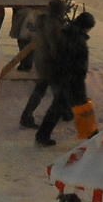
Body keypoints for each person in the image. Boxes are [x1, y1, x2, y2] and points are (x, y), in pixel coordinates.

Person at [36, 11, 95, 147]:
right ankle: (92, 136)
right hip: (72, 79)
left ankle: (42, 135)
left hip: (60, 76)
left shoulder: (65, 33)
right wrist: (78, 78)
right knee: (82, 106)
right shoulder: (77, 39)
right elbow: (78, 63)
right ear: (85, 26)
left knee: (58, 106)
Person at [18, 0, 68, 130]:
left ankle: (27, 115)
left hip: (41, 60)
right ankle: (28, 116)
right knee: (51, 89)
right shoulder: (53, 24)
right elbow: (55, 45)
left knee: (45, 89)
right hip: (50, 62)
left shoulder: (44, 21)